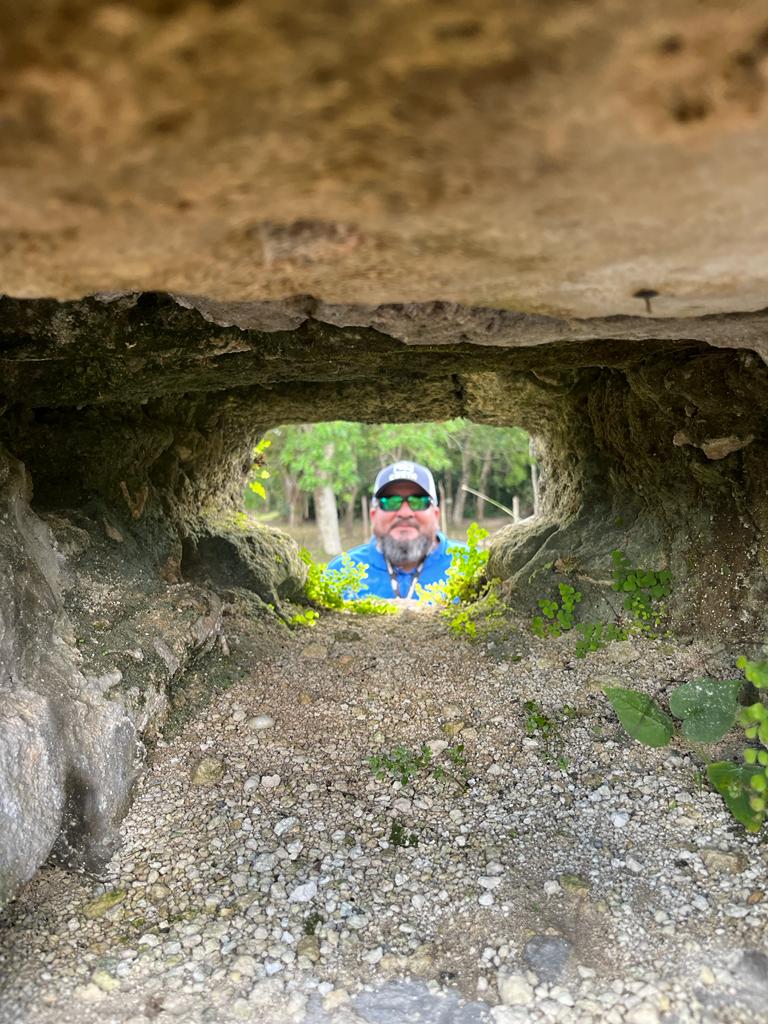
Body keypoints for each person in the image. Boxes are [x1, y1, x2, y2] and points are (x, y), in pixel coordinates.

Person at [325, 460, 465, 602]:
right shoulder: (340, 572)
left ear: (436, 515)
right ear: (373, 516)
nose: (405, 513)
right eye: (391, 502)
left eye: (418, 502)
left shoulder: (472, 567)